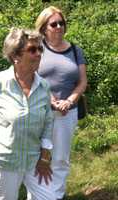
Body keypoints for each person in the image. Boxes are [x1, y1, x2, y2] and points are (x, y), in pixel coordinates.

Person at [0, 28, 56, 200]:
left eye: (40, 49)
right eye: (32, 49)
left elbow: (48, 120)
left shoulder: (43, 86)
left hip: (34, 159)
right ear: (15, 55)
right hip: (4, 161)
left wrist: (45, 156)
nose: (39, 54)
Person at [35, 6, 87, 200]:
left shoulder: (75, 50)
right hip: (40, 110)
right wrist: (50, 99)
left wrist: (70, 100)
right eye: (53, 23)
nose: (58, 27)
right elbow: (29, 76)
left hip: (67, 112)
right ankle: (37, 194)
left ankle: (56, 195)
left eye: (61, 23)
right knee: (38, 154)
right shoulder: (37, 48)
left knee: (60, 158)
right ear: (43, 27)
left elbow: (82, 81)